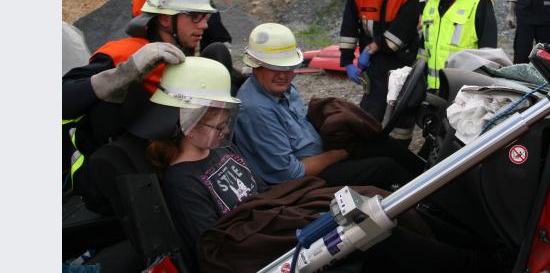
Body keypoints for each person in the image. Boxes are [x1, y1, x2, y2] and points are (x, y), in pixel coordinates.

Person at [145, 57, 499, 273]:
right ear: (183, 121)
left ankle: (477, 244)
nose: (222, 129)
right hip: (266, 246)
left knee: (374, 204)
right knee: (373, 231)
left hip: (277, 215)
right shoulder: (182, 180)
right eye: (212, 122)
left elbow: (263, 195)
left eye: (224, 121)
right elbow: (217, 249)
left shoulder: (221, 151)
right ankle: (476, 265)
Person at [62, 0, 231, 213]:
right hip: (114, 177)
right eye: (196, 16)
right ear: (165, 19)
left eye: (206, 17)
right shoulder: (123, 54)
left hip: (165, 166)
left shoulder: (181, 53)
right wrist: (120, 75)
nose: (205, 25)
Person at [234, 23, 425, 190]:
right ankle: (425, 206)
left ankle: (433, 179)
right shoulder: (256, 110)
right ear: (256, 65)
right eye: (273, 67)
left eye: (287, 66)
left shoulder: (281, 87)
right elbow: (290, 174)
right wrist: (342, 152)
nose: (283, 74)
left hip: (318, 156)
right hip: (302, 182)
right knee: (385, 169)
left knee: (384, 145)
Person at [338, 0, 423, 122]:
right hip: (375, 61)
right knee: (372, 108)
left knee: (402, 108)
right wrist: (347, 61)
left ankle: (398, 148)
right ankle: (370, 147)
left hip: (403, 56)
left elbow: (401, 32)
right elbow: (349, 27)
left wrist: (371, 48)